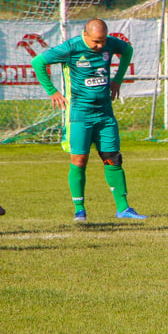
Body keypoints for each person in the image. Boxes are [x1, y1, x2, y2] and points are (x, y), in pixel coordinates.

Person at [31, 19, 146, 221]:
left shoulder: (110, 43)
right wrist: (52, 92)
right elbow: (38, 62)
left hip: (105, 114)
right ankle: (79, 209)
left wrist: (117, 79)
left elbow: (127, 51)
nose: (100, 46)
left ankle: (124, 208)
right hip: (79, 115)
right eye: (95, 42)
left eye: (103, 41)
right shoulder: (71, 47)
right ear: (85, 34)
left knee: (113, 158)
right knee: (79, 160)